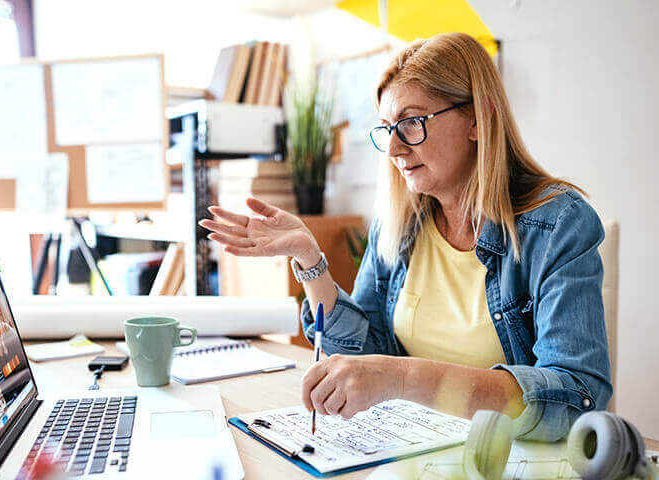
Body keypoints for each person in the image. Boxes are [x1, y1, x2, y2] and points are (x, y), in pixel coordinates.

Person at [200, 32, 611, 442]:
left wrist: (402, 377)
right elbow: (365, 355)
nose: (394, 148)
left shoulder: (559, 224)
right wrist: (311, 261)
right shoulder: (401, 223)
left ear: (477, 119)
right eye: (386, 128)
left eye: (411, 123)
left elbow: (577, 397)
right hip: (414, 449)